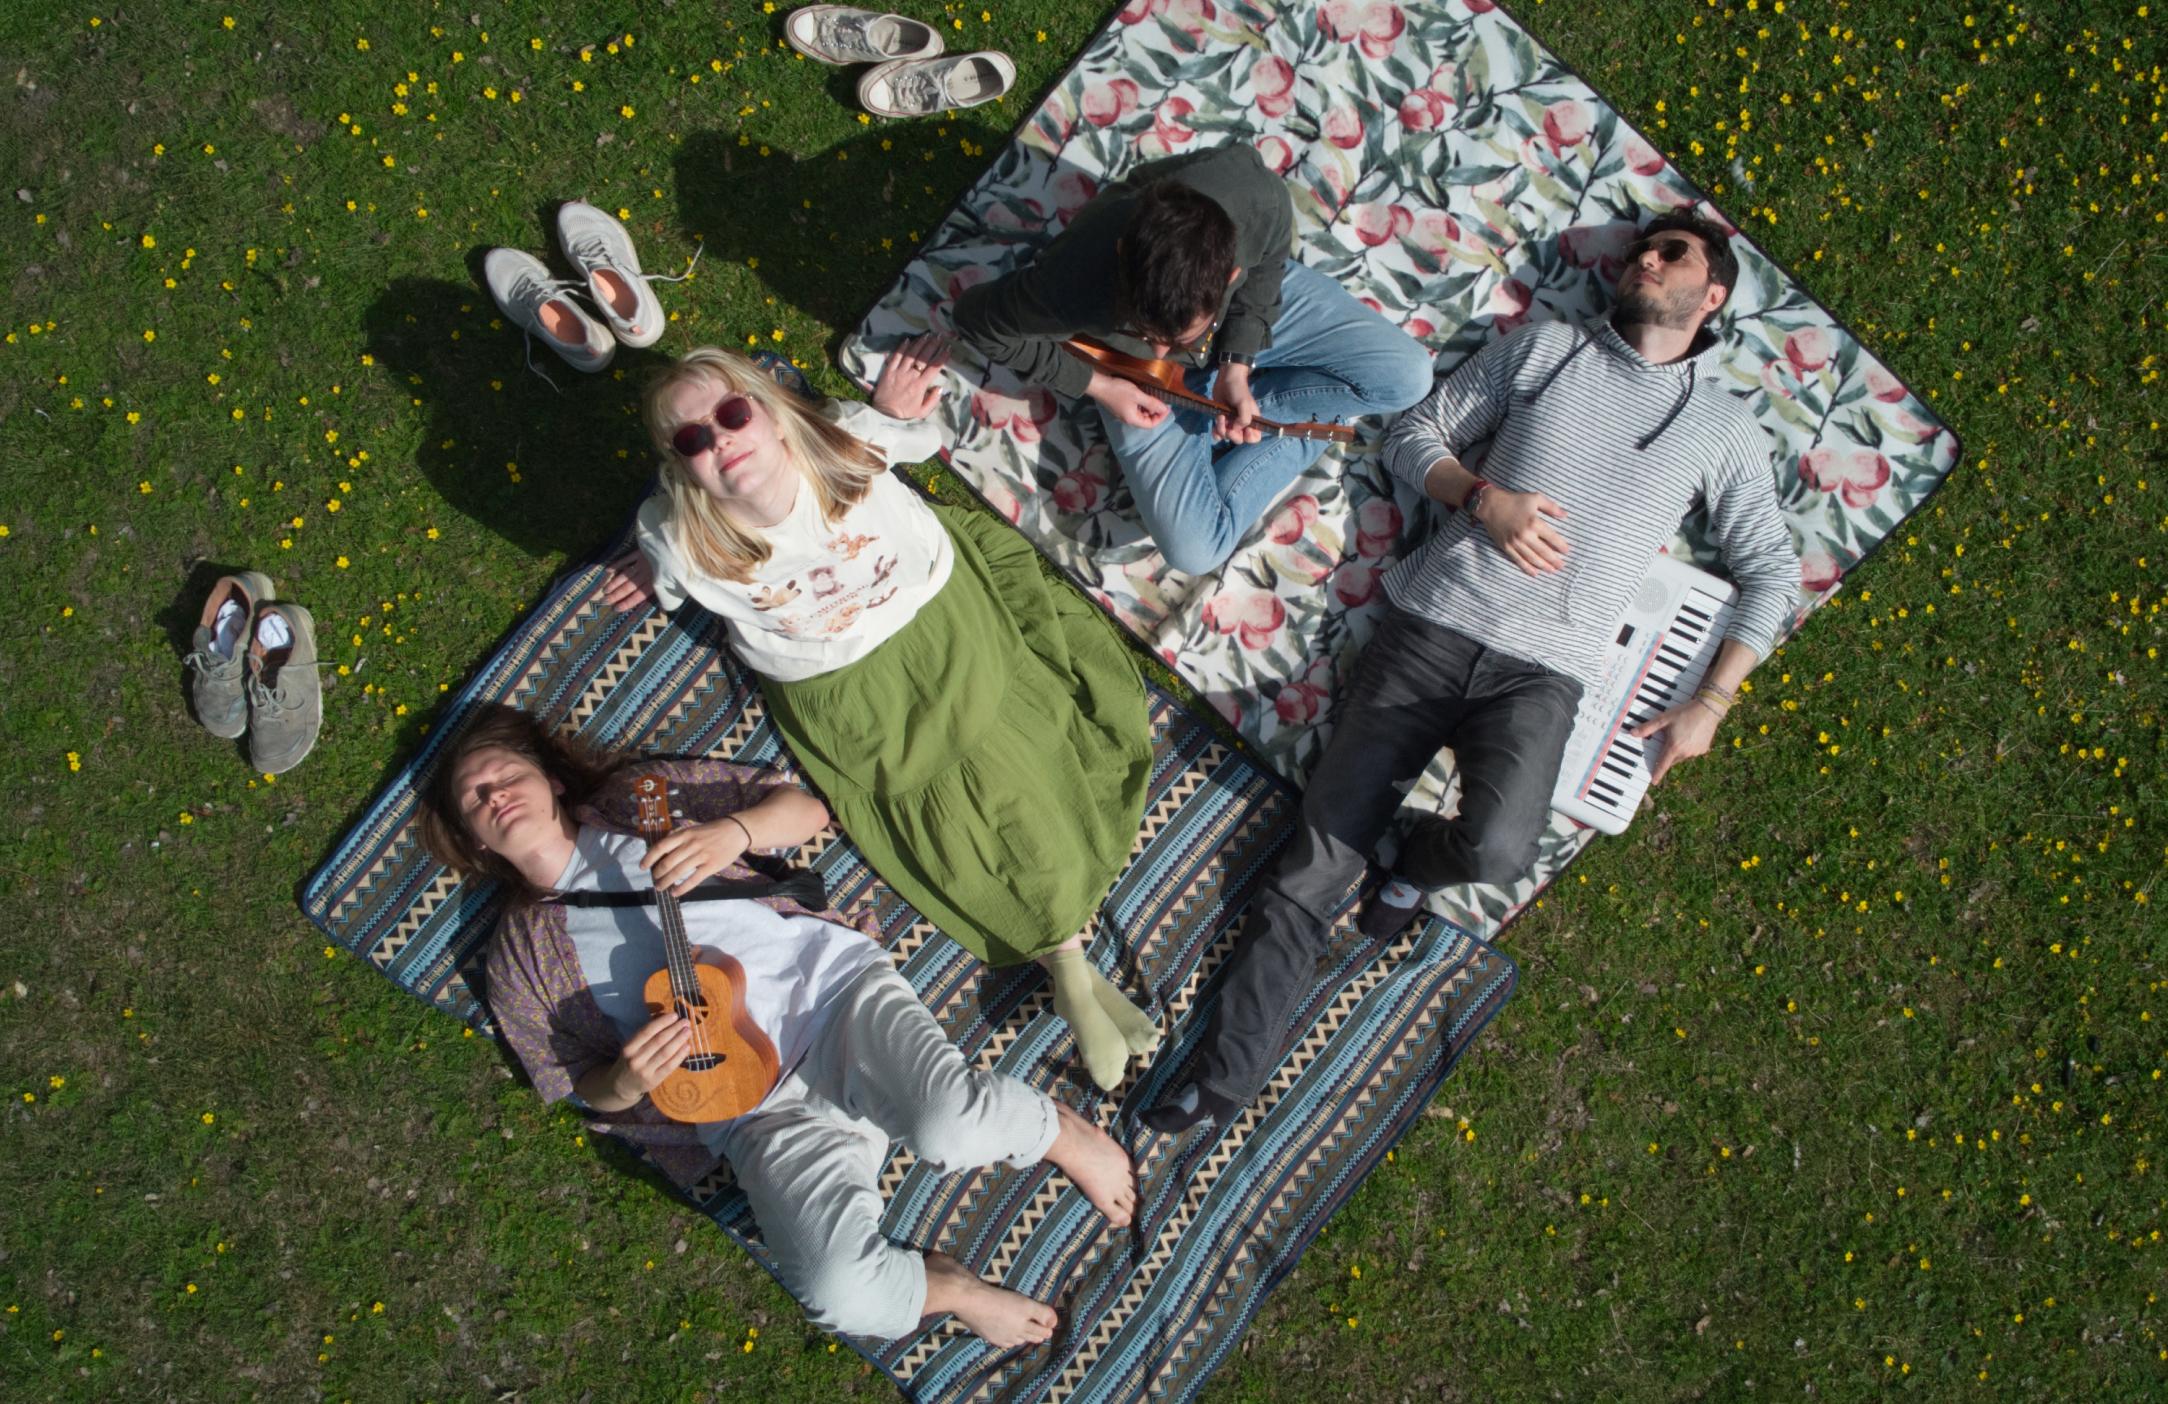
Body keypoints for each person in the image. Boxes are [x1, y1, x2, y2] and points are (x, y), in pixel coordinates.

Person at [1143, 212, 1801, 1134]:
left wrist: (1714, 702)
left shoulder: (1723, 430)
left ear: (1714, 294)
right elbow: (1414, 437)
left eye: (1671, 253)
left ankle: (1415, 859)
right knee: (1311, 868)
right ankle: (1223, 1080)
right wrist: (1483, 500)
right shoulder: (1546, 350)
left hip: (1544, 677)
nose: (1644, 260)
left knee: (1498, 851)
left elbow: (1771, 573)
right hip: (1432, 630)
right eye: (1639, 249)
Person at [423, 705, 1137, 1347]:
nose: (497, 794)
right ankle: (946, 1286)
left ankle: (1058, 1131)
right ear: (473, 841)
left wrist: (733, 833)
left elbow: (806, 811)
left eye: (506, 773)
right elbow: (578, 1087)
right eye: (475, 798)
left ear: (548, 778)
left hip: (829, 1002)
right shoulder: (519, 957)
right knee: (841, 1296)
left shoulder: (635, 800)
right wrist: (626, 1079)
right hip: (747, 1109)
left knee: (948, 1126)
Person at [599, 340, 1161, 1091]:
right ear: (678, 467)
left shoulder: (845, 441)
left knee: (1016, 759)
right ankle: (1068, 965)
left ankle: (1066, 962)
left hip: (939, 620)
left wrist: (889, 412)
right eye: (694, 439)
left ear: (769, 412)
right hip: (845, 693)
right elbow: (667, 574)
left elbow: (920, 440)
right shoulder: (677, 541)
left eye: (732, 413)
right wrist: (653, 560)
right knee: (938, 807)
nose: (721, 439)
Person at [951, 142, 1433, 574]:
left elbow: (1269, 260)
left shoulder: (1252, 193)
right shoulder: (1072, 280)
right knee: (1197, 551)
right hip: (1133, 379)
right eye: (1146, 333)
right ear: (1122, 256)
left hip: (1239, 323)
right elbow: (975, 319)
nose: (1164, 353)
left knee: (1410, 377)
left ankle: (1253, 406)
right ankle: (1281, 417)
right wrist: (1100, 385)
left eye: (1177, 338)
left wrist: (1236, 364)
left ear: (1229, 276)